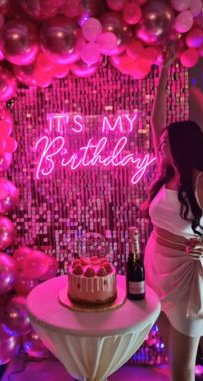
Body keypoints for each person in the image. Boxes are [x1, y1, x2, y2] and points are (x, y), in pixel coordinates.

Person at [144, 50, 203, 381]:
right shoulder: (166, 170)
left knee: (182, 371)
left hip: (185, 276)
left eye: (165, 141)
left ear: (181, 146)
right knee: (172, 356)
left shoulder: (199, 180)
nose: (159, 142)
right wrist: (165, 71)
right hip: (157, 267)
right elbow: (156, 120)